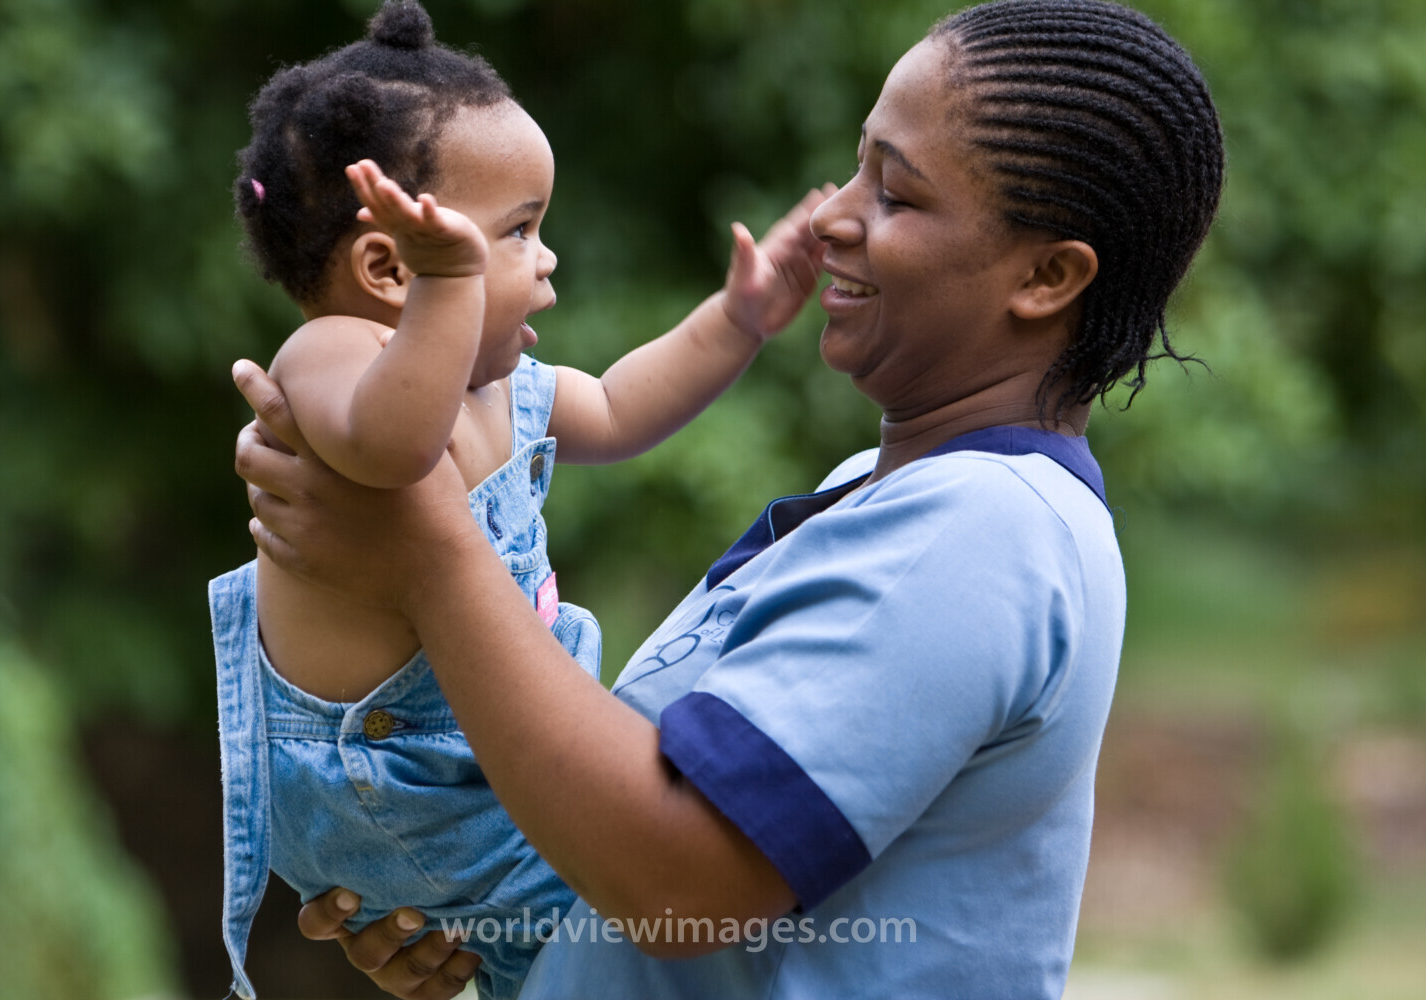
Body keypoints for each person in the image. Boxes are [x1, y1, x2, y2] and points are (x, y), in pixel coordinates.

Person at [232, 0, 1225, 996]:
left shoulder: (980, 532)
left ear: (1046, 276)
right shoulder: (875, 496)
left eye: (896, 194)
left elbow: (677, 884)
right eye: (857, 169)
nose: (832, 215)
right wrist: (470, 900)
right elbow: (644, 858)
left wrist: (425, 552)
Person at [210, 2, 827, 998]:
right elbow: (396, 451)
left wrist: (738, 319)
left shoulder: (501, 388)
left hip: (468, 768)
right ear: (390, 267)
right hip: (391, 774)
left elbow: (620, 407)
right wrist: (450, 289)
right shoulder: (331, 356)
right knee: (614, 920)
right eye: (519, 231)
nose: (546, 259)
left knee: (581, 926)